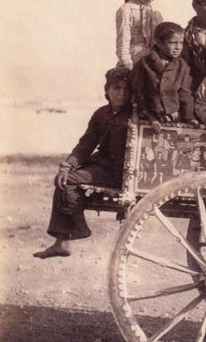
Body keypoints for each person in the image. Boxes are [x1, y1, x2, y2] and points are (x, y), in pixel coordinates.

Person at [33, 68, 133, 258]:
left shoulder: (134, 115)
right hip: (102, 167)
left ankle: (79, 227)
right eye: (116, 88)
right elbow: (86, 143)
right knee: (63, 178)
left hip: (120, 172)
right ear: (107, 90)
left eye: (126, 89)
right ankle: (62, 243)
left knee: (68, 180)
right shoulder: (101, 114)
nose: (121, 93)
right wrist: (68, 164)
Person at [131, 22, 196, 131]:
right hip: (148, 119)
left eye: (181, 43)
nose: (178, 47)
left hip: (173, 119)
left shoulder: (182, 66)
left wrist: (190, 118)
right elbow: (139, 94)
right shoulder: (143, 64)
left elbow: (185, 95)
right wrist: (151, 117)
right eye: (173, 43)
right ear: (159, 42)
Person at [115, 0, 163, 69]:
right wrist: (127, 64)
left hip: (152, 60)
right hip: (134, 61)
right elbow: (123, 41)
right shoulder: (126, 10)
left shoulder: (155, 12)